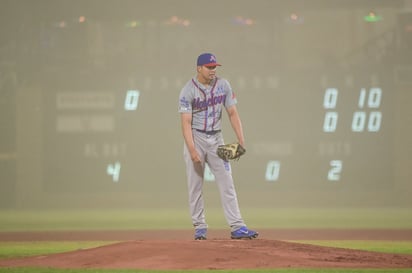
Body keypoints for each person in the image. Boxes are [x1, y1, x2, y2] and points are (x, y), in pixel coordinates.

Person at [178, 53, 258, 240]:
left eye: (214, 67)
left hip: (216, 138)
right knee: (195, 185)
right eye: (209, 67)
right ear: (199, 68)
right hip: (196, 137)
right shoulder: (188, 90)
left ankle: (237, 226)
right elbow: (185, 123)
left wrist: (241, 140)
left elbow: (232, 113)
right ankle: (199, 227)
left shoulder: (224, 86)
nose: (213, 70)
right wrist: (192, 150)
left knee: (227, 182)